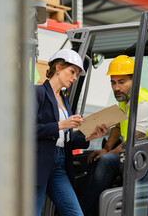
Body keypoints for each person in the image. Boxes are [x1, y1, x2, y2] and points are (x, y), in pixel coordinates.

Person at [82, 55, 148, 216]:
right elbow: (118, 126)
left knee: (106, 161)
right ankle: (89, 207)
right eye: (113, 82)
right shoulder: (125, 99)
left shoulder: (144, 103)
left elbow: (132, 140)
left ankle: (86, 211)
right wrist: (106, 148)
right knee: (94, 159)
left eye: (121, 82)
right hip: (136, 155)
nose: (116, 87)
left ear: (134, 80)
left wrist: (108, 154)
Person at [35, 49, 108, 216]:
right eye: (72, 72)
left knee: (75, 213)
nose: (75, 78)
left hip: (59, 163)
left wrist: (90, 136)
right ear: (58, 67)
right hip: (38, 163)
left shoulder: (65, 101)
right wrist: (60, 125)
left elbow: (64, 140)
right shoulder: (37, 93)